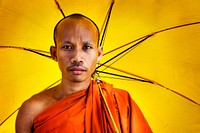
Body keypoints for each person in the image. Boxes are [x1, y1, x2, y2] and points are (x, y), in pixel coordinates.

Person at [16, 13, 152, 133]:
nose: (77, 58)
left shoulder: (119, 103)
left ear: (98, 54)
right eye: (67, 47)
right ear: (54, 53)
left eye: (87, 47)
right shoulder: (31, 110)